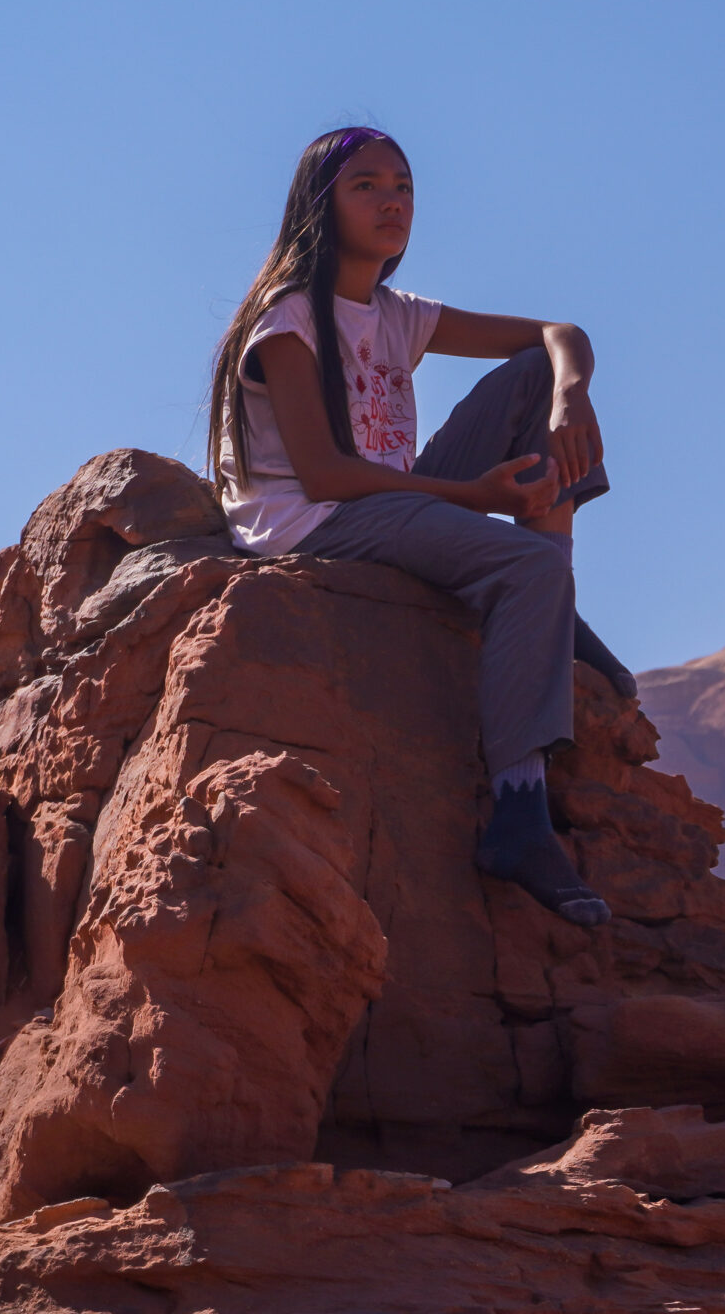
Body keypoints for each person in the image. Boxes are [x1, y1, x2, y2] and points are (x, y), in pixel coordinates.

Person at [203, 126, 631, 927]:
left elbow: (560, 336)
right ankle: (519, 814)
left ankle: (550, 602)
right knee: (525, 567)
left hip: (390, 500)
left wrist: (571, 394)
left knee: (533, 373)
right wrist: (468, 496)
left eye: (403, 186)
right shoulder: (287, 319)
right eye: (366, 186)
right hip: (315, 522)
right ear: (321, 205)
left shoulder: (395, 313)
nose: (392, 201)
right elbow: (325, 476)